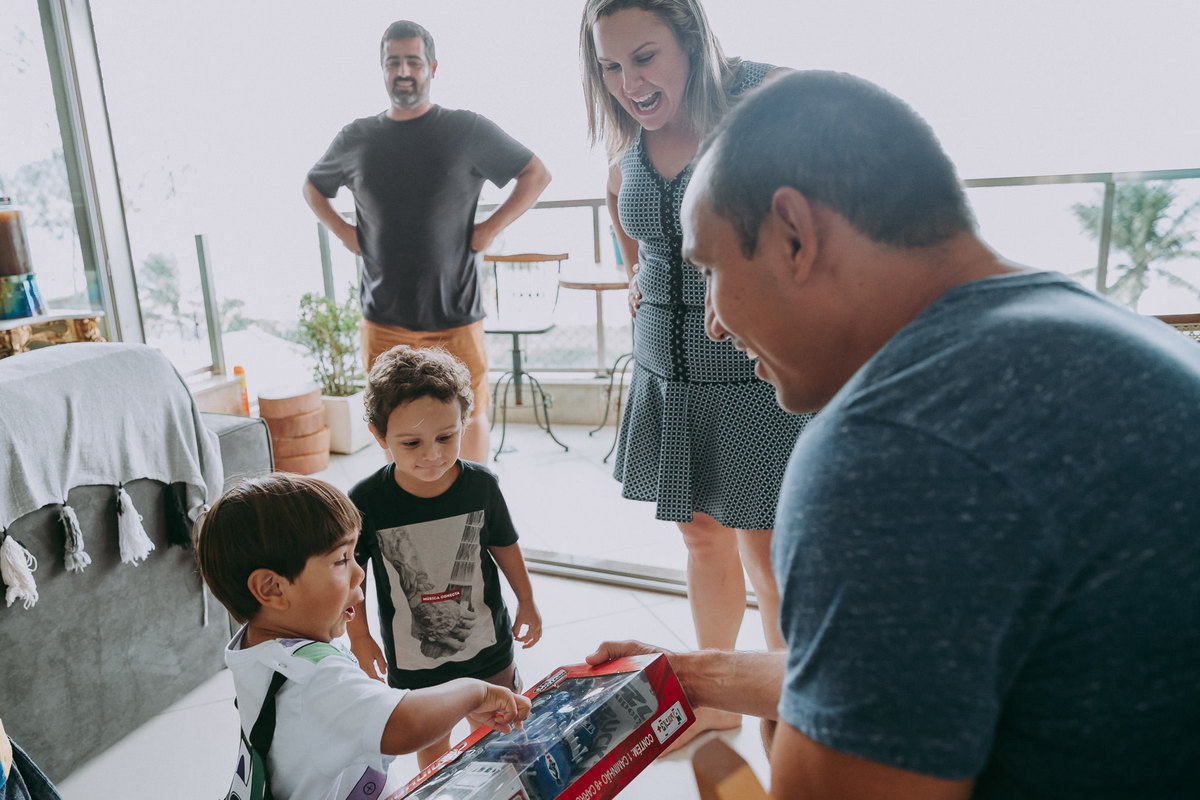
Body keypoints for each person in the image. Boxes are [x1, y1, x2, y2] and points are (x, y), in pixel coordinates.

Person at [590, 70, 1200, 799]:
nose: (714, 321)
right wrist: (691, 675)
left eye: (713, 270)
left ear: (794, 234)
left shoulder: (889, 450)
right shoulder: (1102, 330)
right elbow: (904, 669)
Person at [579, 0, 811, 746]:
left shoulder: (759, 96)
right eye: (611, 66)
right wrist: (633, 271)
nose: (628, 82)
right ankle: (716, 701)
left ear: (690, 41)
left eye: (644, 57)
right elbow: (623, 205)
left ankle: (788, 702)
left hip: (749, 371)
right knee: (700, 537)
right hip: (666, 372)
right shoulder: (631, 139)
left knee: (769, 553)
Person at [304, 19, 551, 464]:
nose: (403, 71)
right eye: (393, 61)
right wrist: (345, 234)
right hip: (384, 318)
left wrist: (489, 229)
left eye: (413, 61)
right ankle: (410, 517)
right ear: (381, 69)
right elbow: (313, 187)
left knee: (468, 417)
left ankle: (474, 513)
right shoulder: (356, 137)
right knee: (392, 421)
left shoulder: (466, 129)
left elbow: (535, 174)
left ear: (432, 67)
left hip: (455, 314)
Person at [194, 473, 530, 799]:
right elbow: (406, 724)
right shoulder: (314, 679)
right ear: (272, 589)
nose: (359, 572)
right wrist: (474, 690)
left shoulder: (258, 648)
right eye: (341, 560)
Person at [347, 345, 542, 770]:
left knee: (503, 733)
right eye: (411, 442)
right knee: (434, 753)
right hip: (415, 663)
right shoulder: (367, 501)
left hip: (488, 647)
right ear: (379, 436)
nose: (432, 454)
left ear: (463, 423)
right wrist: (359, 638)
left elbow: (504, 545)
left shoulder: (481, 487)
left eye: (445, 437)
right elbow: (352, 577)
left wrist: (526, 599)